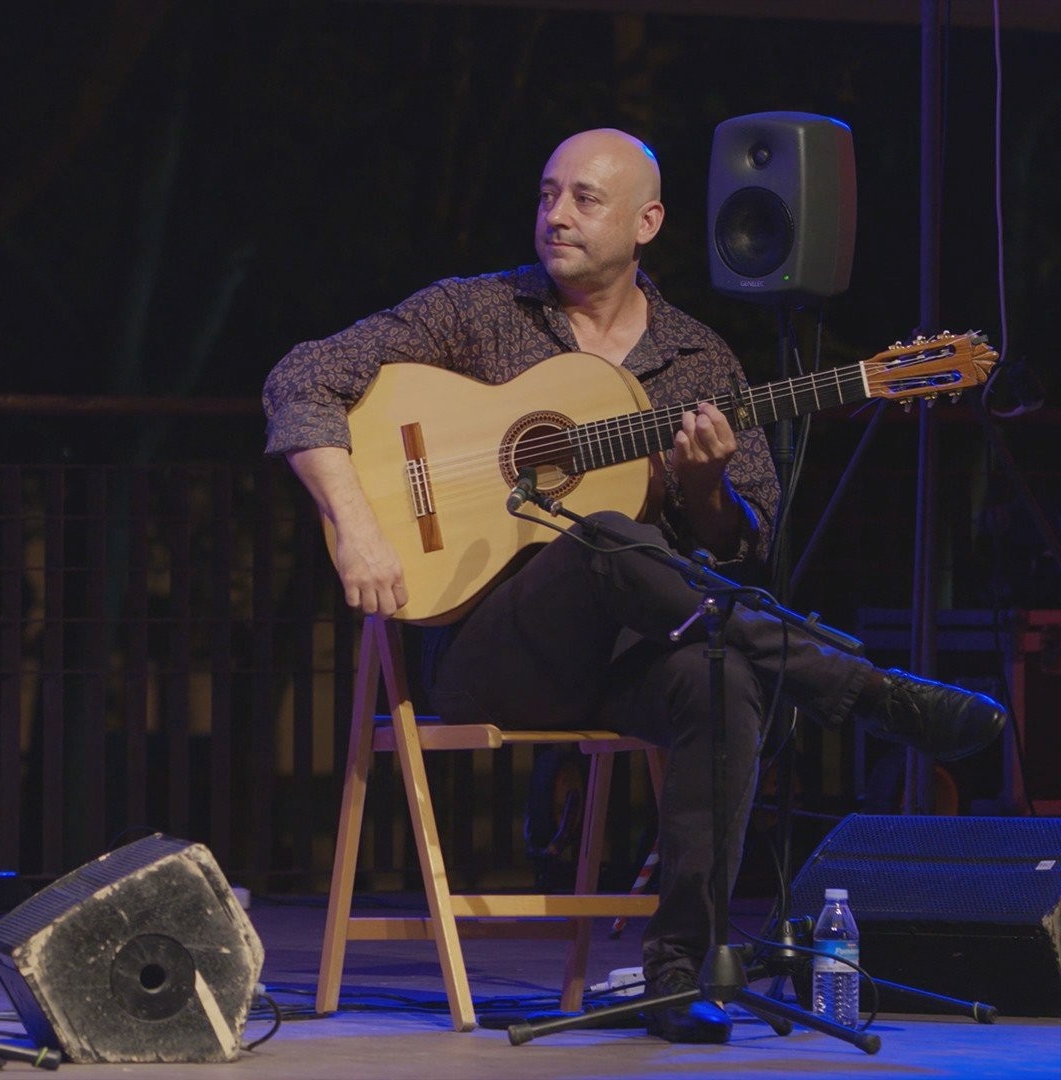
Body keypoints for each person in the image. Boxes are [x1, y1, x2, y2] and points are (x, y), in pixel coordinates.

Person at [263, 128, 1006, 1044]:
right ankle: (855, 688)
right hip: (491, 653)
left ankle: (678, 970)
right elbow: (302, 376)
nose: (556, 214)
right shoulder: (475, 312)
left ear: (647, 221)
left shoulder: (701, 363)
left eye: (584, 198)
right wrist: (359, 525)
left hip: (633, 660)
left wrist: (704, 488)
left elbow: (742, 551)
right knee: (607, 535)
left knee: (724, 677)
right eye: (547, 193)